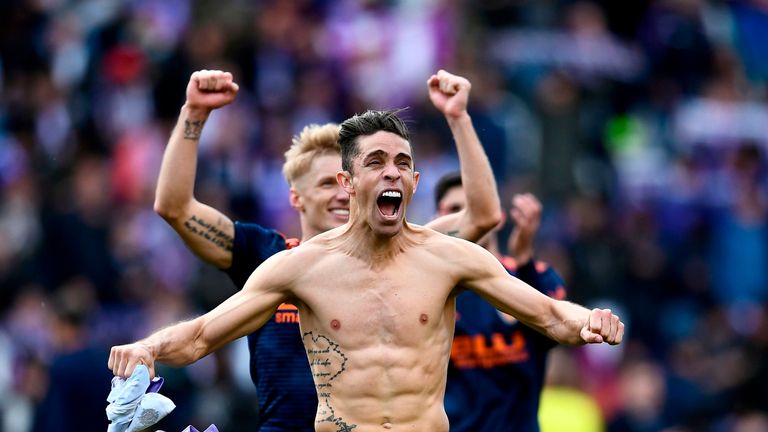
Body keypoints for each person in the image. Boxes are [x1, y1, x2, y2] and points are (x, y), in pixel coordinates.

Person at [111, 108, 625, 431]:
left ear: (415, 181)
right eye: (376, 161)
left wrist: (590, 320)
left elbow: (552, 316)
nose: (392, 172)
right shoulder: (298, 267)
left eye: (402, 163)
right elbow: (202, 336)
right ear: (348, 179)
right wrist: (149, 347)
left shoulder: (450, 258)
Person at [152, 69, 503, 430]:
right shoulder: (267, 255)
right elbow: (175, 208)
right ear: (295, 197)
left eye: (347, 180)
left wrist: (458, 118)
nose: (340, 194)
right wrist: (194, 113)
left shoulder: (409, 254)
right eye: (325, 184)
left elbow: (483, 214)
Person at [434, 172, 567, 432]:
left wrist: (524, 261)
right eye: (455, 211)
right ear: (439, 220)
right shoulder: (431, 290)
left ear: (496, 217)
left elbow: (557, 330)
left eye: (475, 208)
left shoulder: (535, 275)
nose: (469, 219)